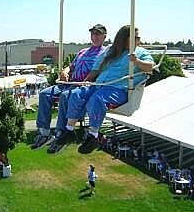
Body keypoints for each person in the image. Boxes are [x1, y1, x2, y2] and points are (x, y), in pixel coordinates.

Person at [56, 25, 155, 154]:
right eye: (135, 37)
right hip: (99, 85)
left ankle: (94, 135)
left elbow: (150, 67)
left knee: (96, 99)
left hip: (118, 88)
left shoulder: (140, 52)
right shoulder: (110, 50)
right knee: (76, 94)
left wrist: (136, 61)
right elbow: (96, 68)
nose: (138, 39)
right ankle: (69, 129)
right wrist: (86, 82)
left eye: (138, 37)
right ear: (124, 38)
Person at [31, 24, 107, 151]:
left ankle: (61, 133)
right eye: (93, 34)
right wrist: (65, 72)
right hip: (69, 83)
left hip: (84, 86)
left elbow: (101, 70)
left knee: (65, 96)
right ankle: (44, 132)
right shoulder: (83, 52)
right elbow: (71, 66)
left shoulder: (105, 53)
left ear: (104, 37)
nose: (94, 37)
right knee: (44, 94)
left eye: (98, 34)